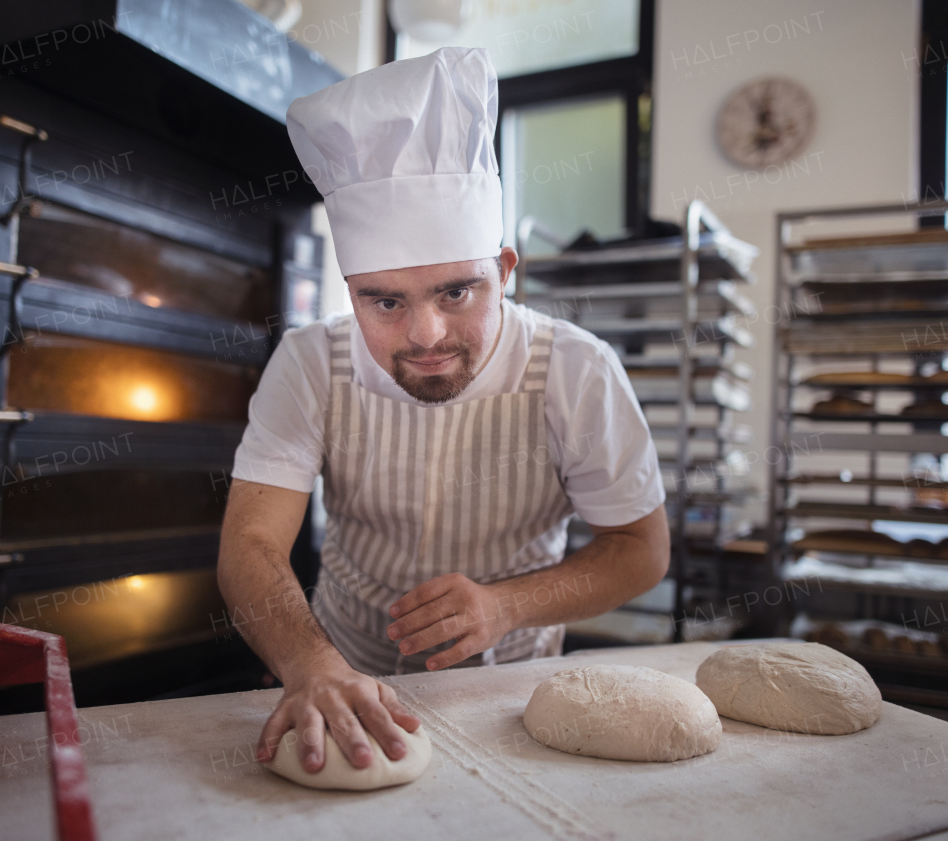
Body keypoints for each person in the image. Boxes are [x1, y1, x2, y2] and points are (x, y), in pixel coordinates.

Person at [217, 46, 669, 778]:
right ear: (350, 287)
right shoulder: (308, 363)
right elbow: (250, 544)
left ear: (505, 271)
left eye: (457, 292)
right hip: (340, 678)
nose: (424, 335)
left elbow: (642, 548)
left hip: (514, 690)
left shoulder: (576, 371)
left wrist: (507, 605)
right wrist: (309, 663)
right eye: (385, 301)